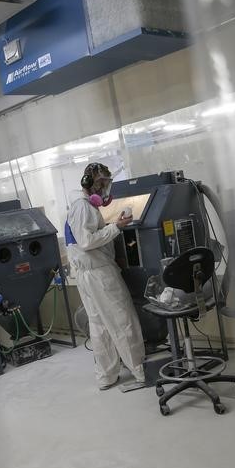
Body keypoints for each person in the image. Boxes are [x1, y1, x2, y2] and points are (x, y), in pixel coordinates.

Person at [64, 162, 147, 390]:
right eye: (101, 184)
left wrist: (111, 227)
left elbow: (86, 237)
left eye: (106, 184)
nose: (104, 189)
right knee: (122, 319)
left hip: (87, 274)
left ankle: (107, 376)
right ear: (88, 184)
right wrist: (117, 227)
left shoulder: (81, 207)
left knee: (100, 325)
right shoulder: (82, 207)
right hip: (99, 273)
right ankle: (140, 370)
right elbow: (87, 241)